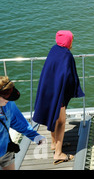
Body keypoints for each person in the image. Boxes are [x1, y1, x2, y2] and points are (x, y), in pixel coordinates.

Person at [33, 30, 85, 164]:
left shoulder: (54, 49)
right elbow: (69, 77)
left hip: (48, 89)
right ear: (69, 41)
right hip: (58, 92)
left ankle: (54, 143)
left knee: (53, 116)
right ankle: (58, 153)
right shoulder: (66, 55)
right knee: (61, 121)